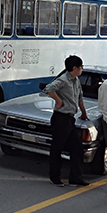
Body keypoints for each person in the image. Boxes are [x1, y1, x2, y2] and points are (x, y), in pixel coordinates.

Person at [42, 55, 90, 187]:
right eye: (81, 67)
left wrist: (84, 113)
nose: (82, 70)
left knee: (77, 148)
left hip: (70, 118)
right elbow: (49, 89)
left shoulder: (76, 81)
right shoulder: (63, 79)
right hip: (61, 118)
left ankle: (75, 177)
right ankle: (55, 176)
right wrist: (59, 101)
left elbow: (80, 98)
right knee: (57, 147)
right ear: (74, 68)